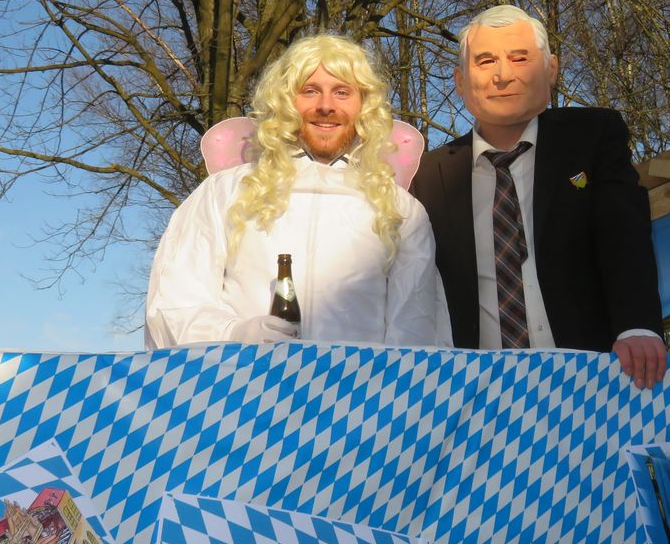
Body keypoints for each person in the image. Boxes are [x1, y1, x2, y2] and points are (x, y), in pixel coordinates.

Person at [410, 5, 667, 388]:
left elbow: (623, 235)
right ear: (460, 81)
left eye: (520, 58)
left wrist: (637, 326)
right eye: (485, 61)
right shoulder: (429, 175)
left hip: (594, 376)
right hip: (475, 388)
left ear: (551, 69)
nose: (502, 75)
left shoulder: (593, 139)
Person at [145, 33, 446, 349]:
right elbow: (175, 302)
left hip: (361, 381)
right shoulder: (224, 192)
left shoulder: (399, 210)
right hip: (244, 378)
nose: (326, 106)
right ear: (285, 101)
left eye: (342, 92)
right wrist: (233, 334)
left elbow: (418, 330)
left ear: (364, 105)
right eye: (310, 91)